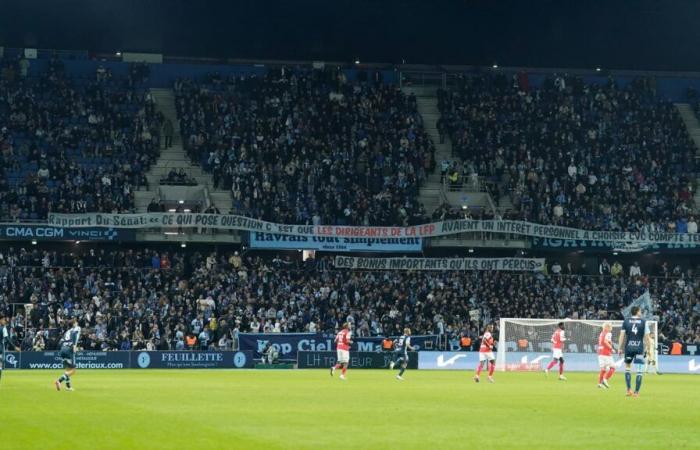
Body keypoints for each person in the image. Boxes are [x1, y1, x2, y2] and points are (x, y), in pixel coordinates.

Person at [618, 306, 651, 397]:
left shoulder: (626, 321)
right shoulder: (644, 322)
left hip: (628, 348)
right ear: (637, 312)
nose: (641, 312)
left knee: (628, 368)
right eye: (640, 311)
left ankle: (628, 390)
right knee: (639, 371)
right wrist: (648, 349)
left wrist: (619, 348)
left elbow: (622, 335)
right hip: (639, 349)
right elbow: (647, 338)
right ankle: (636, 392)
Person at [55, 319, 81, 392]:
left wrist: (63, 347)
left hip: (62, 349)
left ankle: (68, 387)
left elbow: (60, 341)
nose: (77, 323)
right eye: (76, 322)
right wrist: (74, 346)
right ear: (74, 324)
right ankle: (59, 381)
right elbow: (74, 335)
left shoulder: (67, 331)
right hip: (69, 349)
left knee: (67, 370)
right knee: (73, 370)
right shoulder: (77, 328)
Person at [1, 315, 19, 384]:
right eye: (3, 320)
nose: (4, 321)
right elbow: (7, 339)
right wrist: (14, 347)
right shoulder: (3, 328)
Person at [597, 322, 615, 389]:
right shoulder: (608, 333)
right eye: (610, 327)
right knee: (613, 367)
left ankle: (599, 383)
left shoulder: (601, 333)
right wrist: (611, 348)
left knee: (603, 369)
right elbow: (605, 341)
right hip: (606, 353)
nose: (611, 328)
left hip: (600, 353)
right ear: (607, 327)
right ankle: (605, 380)